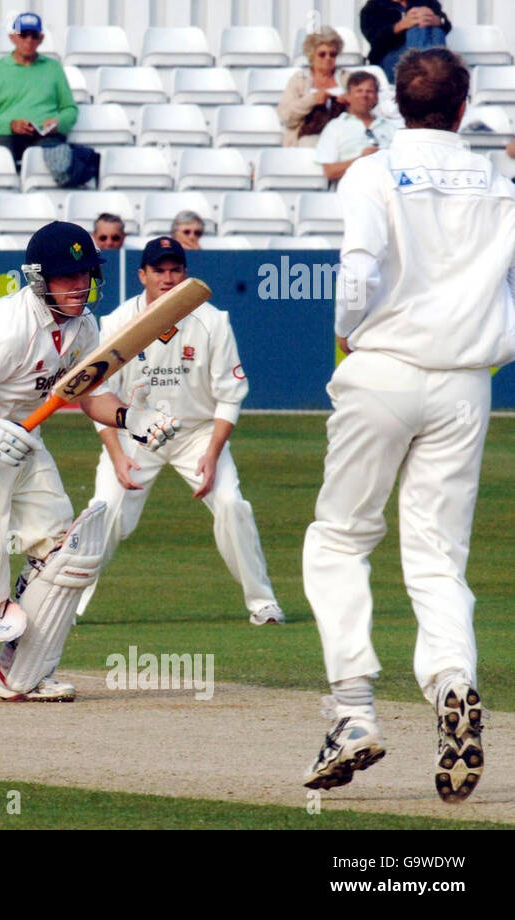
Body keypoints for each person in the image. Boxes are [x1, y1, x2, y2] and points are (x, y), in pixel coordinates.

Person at [301, 49, 512, 803]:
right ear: (462, 107)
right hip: (465, 382)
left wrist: (350, 335)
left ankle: (353, 710)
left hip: (384, 365)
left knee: (339, 538)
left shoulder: (373, 169)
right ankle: (453, 680)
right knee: (437, 557)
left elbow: (358, 269)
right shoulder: (498, 182)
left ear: (395, 102)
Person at [0, 221, 179, 701]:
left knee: (69, 552)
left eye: (86, 275)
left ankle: (23, 673)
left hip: (23, 448)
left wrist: (133, 418)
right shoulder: (3, 327)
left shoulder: (85, 328)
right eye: (67, 277)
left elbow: (90, 395)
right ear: (39, 280)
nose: (80, 287)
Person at [73, 236, 284, 627]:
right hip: (135, 432)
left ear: (185, 274)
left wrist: (212, 453)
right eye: (159, 271)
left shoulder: (212, 321)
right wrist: (118, 457)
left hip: (197, 434)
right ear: (143, 275)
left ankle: (263, 603)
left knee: (232, 505)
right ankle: (69, 606)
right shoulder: (117, 324)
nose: (168, 279)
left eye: (175, 270)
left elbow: (229, 395)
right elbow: (97, 394)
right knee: (104, 513)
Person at [0, 12, 77, 168]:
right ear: (13, 37)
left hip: (45, 137)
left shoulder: (54, 68)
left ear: (41, 39)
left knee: (56, 162)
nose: (29, 40)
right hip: (7, 136)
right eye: (23, 35)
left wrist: (58, 123)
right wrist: (11, 125)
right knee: (1, 164)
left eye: (34, 35)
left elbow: (70, 109)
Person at [314, 72, 400, 183]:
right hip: (352, 190)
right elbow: (330, 172)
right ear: (348, 97)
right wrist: (360, 160)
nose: (364, 95)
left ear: (376, 97)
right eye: (359, 91)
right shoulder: (335, 127)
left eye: (369, 91)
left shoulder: (390, 128)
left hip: (388, 187)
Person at [278, 27, 349, 148]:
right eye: (322, 54)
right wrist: (311, 100)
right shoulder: (300, 79)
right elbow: (286, 116)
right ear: (311, 55)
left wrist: (349, 102)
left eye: (332, 54)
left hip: (344, 134)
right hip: (308, 138)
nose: (328, 58)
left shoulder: (346, 78)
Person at [361, 0, 450, 82]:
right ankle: (434, 74)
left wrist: (438, 21)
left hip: (425, 53)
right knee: (417, 27)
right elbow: (375, 39)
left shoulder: (426, 2)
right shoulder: (373, 8)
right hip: (390, 58)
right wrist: (401, 26)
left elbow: (446, 23)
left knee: (436, 30)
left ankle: (425, 73)